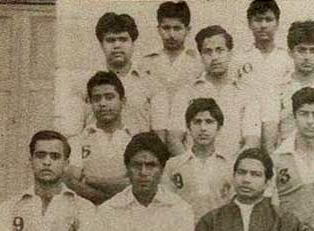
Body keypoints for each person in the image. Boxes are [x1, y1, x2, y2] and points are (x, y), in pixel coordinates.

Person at [54, 12, 161, 136]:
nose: (117, 45)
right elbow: (72, 132)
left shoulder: (150, 83)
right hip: (96, 146)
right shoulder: (83, 84)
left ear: (133, 43)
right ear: (101, 45)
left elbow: (158, 134)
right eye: (110, 40)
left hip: (137, 147)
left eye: (123, 39)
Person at [167, 25, 260, 159]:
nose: (214, 57)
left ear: (230, 53)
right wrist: (193, 166)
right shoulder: (186, 93)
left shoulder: (246, 93)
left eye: (220, 50)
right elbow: (174, 140)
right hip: (193, 168)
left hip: (232, 166)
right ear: (201, 56)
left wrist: (231, 167)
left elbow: (252, 142)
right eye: (208, 52)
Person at [261, 20, 314, 152]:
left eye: (313, 51)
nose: (307, 57)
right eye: (301, 50)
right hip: (287, 157)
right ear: (290, 52)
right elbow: (269, 141)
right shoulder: (277, 89)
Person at [270, 87, 314, 225]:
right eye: (303, 114)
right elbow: (271, 203)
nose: (310, 121)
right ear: (294, 116)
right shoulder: (277, 158)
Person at [65, 71, 134, 205]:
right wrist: (108, 204)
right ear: (90, 103)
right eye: (96, 99)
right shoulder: (78, 141)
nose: (102, 103)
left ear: (123, 101)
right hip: (89, 211)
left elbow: (136, 183)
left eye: (109, 97)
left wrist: (92, 180)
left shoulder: (135, 139)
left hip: (127, 210)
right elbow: (72, 182)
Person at [162, 98, 233, 222]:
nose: (203, 128)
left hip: (218, 230)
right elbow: (166, 206)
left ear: (219, 128)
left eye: (209, 122)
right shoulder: (173, 165)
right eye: (197, 122)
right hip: (184, 229)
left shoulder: (230, 165)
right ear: (188, 127)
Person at [145, 1, 204, 142]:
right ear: (158, 29)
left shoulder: (198, 63)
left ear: (188, 30)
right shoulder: (146, 63)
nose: (171, 34)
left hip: (188, 136)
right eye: (166, 28)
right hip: (153, 136)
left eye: (177, 28)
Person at [233, 0, 293, 92]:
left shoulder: (287, 58)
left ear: (277, 23)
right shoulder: (239, 58)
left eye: (268, 20)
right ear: (249, 24)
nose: (263, 25)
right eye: (258, 20)